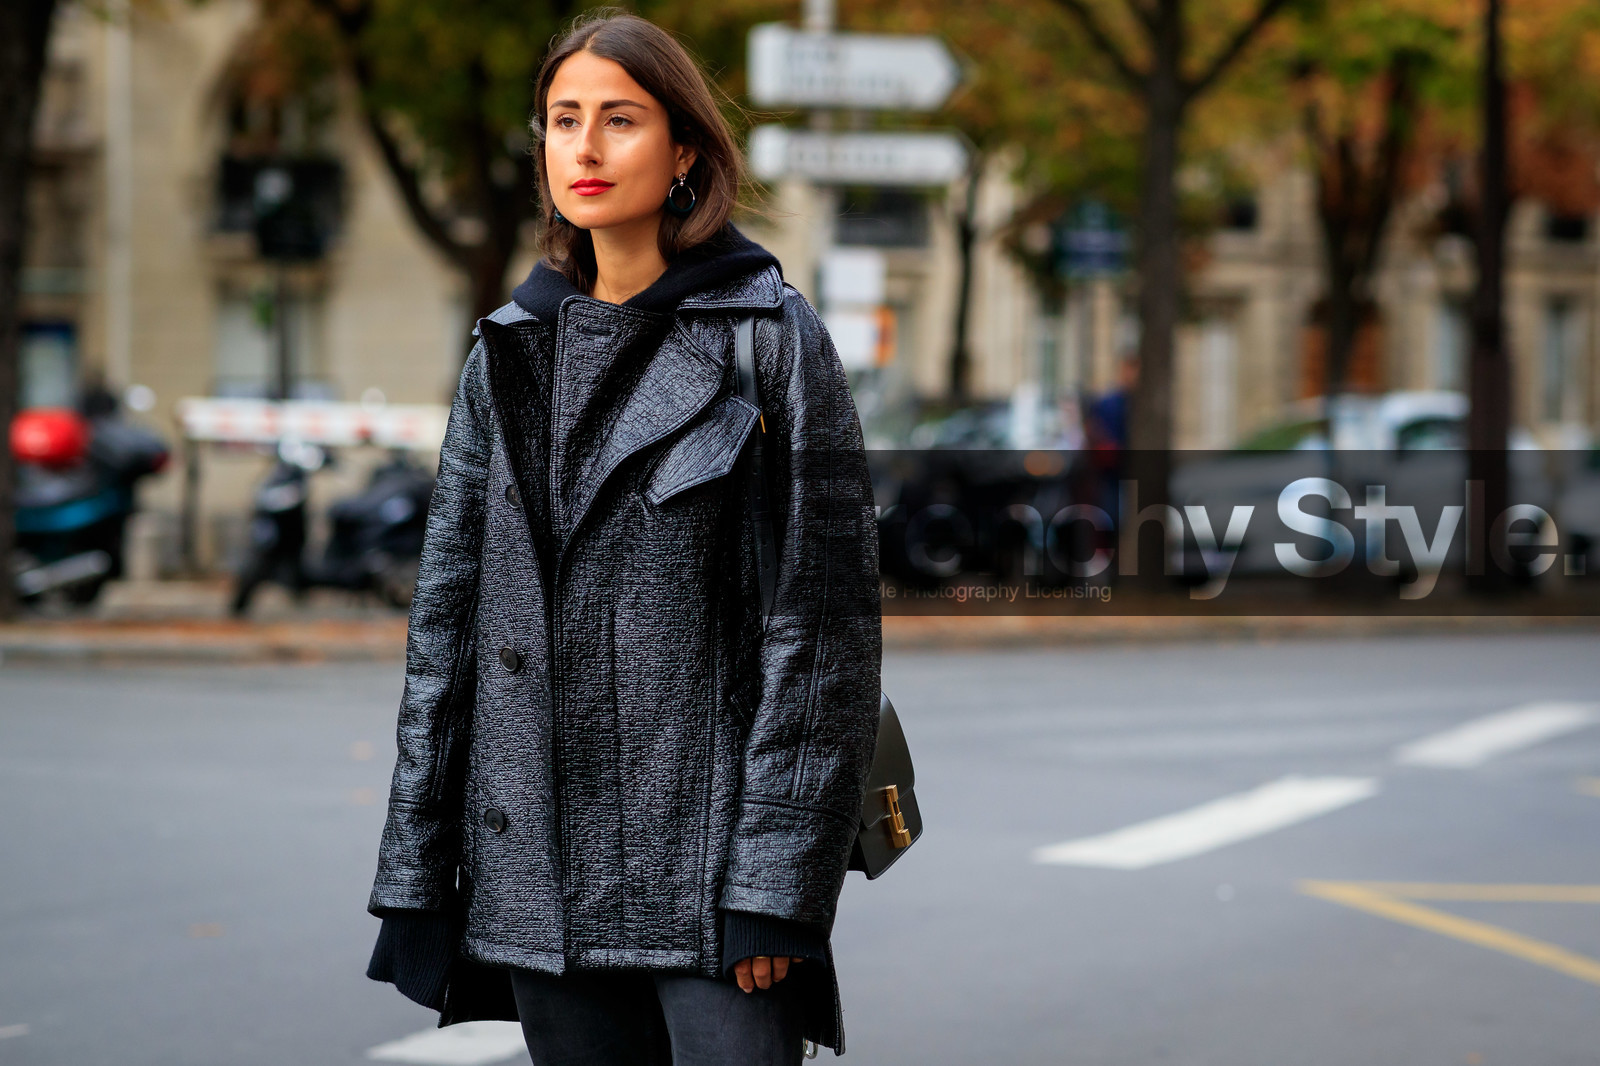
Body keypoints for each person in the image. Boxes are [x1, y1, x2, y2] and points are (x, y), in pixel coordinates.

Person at [362, 9, 883, 1065]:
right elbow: (447, 630)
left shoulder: (768, 340)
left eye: (620, 120)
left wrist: (775, 888)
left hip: (709, 889)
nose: (586, 149)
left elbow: (821, 637)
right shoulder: (507, 355)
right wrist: (417, 876)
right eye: (563, 121)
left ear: (684, 149)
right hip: (538, 884)